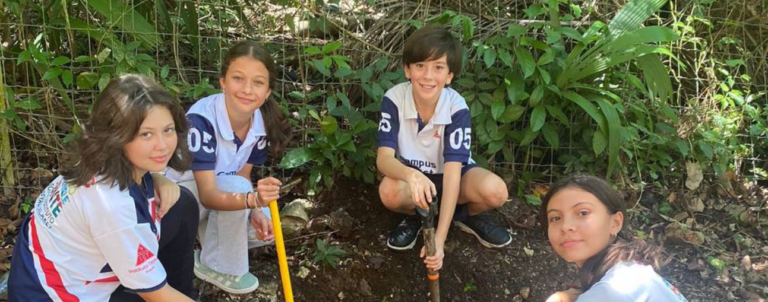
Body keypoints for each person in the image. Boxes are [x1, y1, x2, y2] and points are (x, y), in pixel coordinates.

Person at [8, 74, 199, 302]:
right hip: (56, 295)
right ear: (116, 135)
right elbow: (155, 294)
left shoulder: (99, 160)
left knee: (181, 205)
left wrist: (158, 178)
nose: (163, 145)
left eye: (168, 130)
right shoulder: (112, 205)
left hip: (45, 272)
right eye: (146, 134)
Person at [376, 25, 512, 272]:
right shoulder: (394, 99)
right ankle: (416, 217)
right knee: (389, 192)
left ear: (449, 75)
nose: (428, 76)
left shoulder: (456, 107)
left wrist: (439, 240)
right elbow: (384, 159)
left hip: (453, 177)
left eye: (438, 67)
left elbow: (452, 175)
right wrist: (411, 175)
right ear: (407, 69)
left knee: (496, 192)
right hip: (415, 181)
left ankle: (464, 217)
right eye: (420, 65)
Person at [165, 40, 292, 294]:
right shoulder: (201, 119)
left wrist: (254, 210)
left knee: (266, 225)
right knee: (240, 193)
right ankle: (218, 266)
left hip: (216, 193)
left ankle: (212, 244)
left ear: (268, 91)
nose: (247, 89)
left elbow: (242, 175)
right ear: (223, 81)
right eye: (238, 78)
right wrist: (252, 200)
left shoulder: (260, 123)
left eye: (258, 82)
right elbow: (209, 194)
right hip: (179, 201)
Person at [540, 174, 688, 302]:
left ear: (615, 222)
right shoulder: (631, 273)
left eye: (583, 213)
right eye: (555, 218)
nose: (566, 226)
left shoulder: (614, 289)